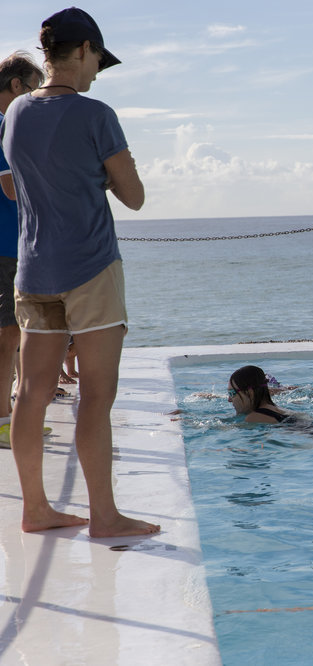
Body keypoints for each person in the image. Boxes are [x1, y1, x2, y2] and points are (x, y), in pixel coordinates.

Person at [0, 8, 158, 537]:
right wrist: (100, 176)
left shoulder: (16, 112)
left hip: (33, 270)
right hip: (90, 268)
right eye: (97, 62)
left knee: (31, 393)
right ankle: (105, 517)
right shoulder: (96, 115)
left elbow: (13, 186)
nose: (97, 73)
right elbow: (134, 196)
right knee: (96, 395)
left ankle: (36, 510)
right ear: (85, 50)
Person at [0, 52, 45, 445]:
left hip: (9, 245)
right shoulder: (3, 124)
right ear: (16, 86)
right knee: (9, 335)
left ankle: (12, 414)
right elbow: (12, 188)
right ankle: (5, 419)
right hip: (5, 246)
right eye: (33, 90)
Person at [228, 365, 294, 424]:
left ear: (250, 392)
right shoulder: (278, 410)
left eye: (232, 393)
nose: (229, 399)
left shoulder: (254, 417)